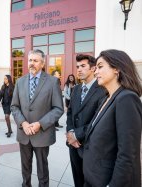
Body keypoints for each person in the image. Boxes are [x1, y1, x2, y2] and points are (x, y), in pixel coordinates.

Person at [83, 49, 142, 187]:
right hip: (94, 177)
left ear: (117, 69)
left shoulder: (127, 98)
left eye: (100, 66)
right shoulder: (107, 98)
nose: (95, 71)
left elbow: (128, 154)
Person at [11, 49, 64, 187]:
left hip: (42, 134)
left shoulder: (52, 82)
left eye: (35, 61)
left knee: (42, 169)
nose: (32, 63)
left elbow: (58, 108)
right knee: (25, 168)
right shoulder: (20, 82)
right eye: (30, 60)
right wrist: (23, 122)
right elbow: (14, 106)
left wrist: (40, 123)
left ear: (42, 63)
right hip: (24, 133)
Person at [66, 54, 106, 187]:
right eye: (77, 66)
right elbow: (70, 112)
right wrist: (70, 132)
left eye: (83, 66)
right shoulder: (76, 89)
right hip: (73, 146)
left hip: (90, 147)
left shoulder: (103, 90)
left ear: (93, 69)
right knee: (77, 180)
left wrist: (76, 135)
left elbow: (98, 121)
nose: (79, 69)